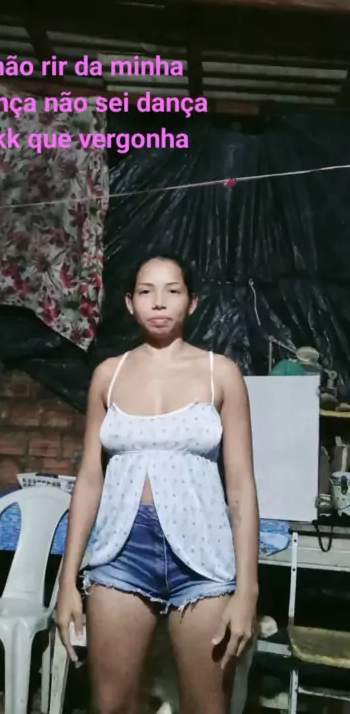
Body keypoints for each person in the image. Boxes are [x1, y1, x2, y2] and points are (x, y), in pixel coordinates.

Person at [56, 253, 259, 714]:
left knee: (206, 707)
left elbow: (241, 488)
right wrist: (67, 580)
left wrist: (247, 590)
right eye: (146, 291)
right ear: (130, 303)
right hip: (121, 553)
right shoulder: (108, 375)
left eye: (173, 291)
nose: (160, 302)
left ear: (192, 302)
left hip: (203, 558)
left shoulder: (221, 373)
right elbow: (89, 480)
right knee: (112, 706)